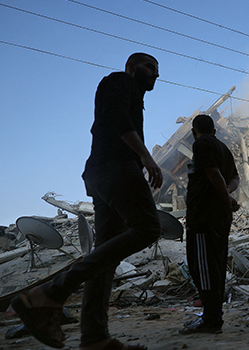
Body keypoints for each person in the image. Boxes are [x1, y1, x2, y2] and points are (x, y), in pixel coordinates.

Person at [10, 53, 163, 350]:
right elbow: (116, 114)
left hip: (102, 172)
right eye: (149, 67)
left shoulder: (134, 94)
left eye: (158, 71)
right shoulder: (120, 80)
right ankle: (50, 293)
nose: (155, 74)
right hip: (115, 167)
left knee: (105, 255)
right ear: (131, 67)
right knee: (148, 228)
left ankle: (94, 336)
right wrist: (145, 156)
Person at [179, 114, 240, 334]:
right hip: (219, 217)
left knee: (201, 268)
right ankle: (213, 316)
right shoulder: (223, 148)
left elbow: (213, 175)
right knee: (214, 266)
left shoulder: (201, 144)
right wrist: (228, 194)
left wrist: (226, 197)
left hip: (205, 218)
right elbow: (234, 178)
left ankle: (211, 320)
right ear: (214, 131)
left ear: (194, 132)